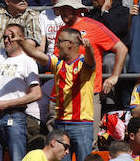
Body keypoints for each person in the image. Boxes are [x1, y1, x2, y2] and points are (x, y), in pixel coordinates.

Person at [17, 27, 95, 161]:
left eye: (60, 41)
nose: (57, 45)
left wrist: (88, 47)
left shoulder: (83, 63)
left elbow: (91, 60)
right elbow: (35, 54)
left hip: (81, 124)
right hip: (60, 123)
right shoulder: (57, 63)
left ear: (70, 44)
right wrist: (20, 42)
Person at [0, 23, 41, 161]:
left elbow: (36, 93)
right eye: (4, 37)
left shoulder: (27, 61)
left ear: (21, 38)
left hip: (15, 115)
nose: (7, 40)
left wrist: (8, 103)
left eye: (11, 37)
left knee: (17, 158)